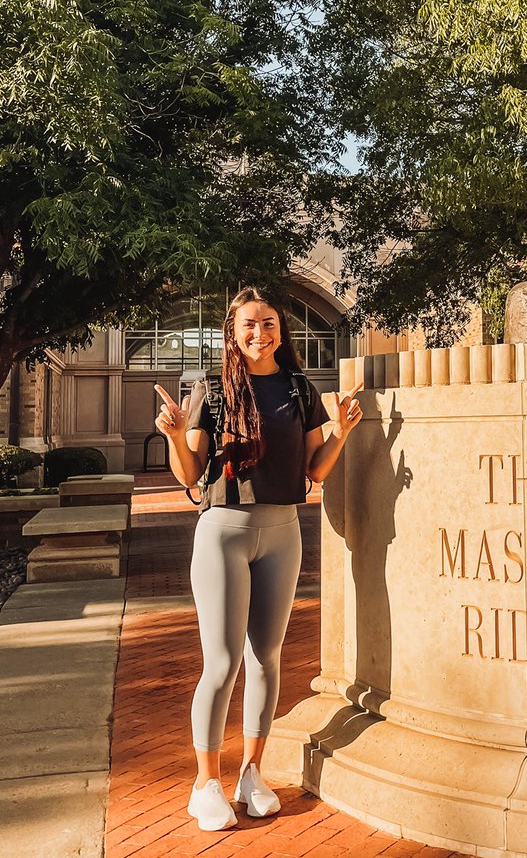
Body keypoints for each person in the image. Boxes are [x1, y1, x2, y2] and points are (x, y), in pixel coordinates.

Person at [154, 286, 363, 831]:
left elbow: (315, 471)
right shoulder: (212, 389)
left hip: (283, 532)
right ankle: (206, 784)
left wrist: (340, 432)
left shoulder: (299, 388)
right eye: (249, 324)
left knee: (266, 658)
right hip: (223, 532)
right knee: (221, 664)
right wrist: (178, 436)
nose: (260, 333)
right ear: (233, 330)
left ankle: (251, 772)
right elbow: (189, 474)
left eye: (269, 323)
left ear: (280, 330)